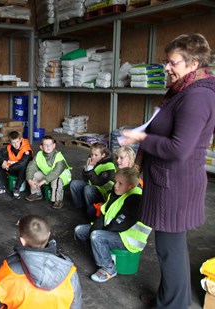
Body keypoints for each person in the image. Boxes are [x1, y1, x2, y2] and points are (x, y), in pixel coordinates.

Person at [119, 33, 215, 308]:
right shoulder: (184, 90)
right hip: (170, 181)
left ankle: (172, 305)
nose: (166, 68)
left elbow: (179, 149)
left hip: (176, 185)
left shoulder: (197, 97)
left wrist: (142, 139)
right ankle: (171, 299)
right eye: (165, 61)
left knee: (169, 250)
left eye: (172, 62)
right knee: (172, 250)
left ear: (193, 64)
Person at [74, 168, 152, 283]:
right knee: (79, 230)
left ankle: (109, 268)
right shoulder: (115, 194)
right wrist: (95, 230)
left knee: (97, 236)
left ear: (131, 187)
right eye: (115, 181)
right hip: (115, 232)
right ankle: (102, 252)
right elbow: (103, 215)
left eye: (120, 183)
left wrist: (98, 233)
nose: (116, 185)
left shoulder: (135, 199)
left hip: (129, 239)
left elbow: (121, 225)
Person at [0, 214, 81, 308]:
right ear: (49, 234)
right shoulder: (69, 271)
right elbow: (75, 304)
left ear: (22, 241)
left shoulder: (8, 271)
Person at [69, 142, 116, 221]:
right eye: (91, 154)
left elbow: (97, 182)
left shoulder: (109, 166)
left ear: (103, 155)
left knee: (88, 189)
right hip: (93, 186)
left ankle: (91, 211)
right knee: (74, 184)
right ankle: (79, 208)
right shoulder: (94, 162)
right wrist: (86, 169)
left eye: (96, 155)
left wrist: (90, 169)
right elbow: (84, 178)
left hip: (104, 193)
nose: (93, 157)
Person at [25, 135, 72, 209]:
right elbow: (31, 166)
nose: (48, 147)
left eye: (50, 144)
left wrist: (43, 181)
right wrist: (29, 180)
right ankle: (36, 193)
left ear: (54, 146)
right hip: (47, 173)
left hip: (62, 175)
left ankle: (58, 200)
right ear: (41, 147)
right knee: (34, 174)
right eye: (45, 145)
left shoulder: (58, 156)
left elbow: (56, 172)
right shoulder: (39, 154)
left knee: (56, 180)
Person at [0, 131, 33, 199]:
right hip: (11, 168)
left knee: (23, 166)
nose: (16, 144)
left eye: (17, 141)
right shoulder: (8, 148)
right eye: (13, 142)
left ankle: (17, 189)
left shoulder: (26, 149)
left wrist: (9, 167)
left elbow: (22, 163)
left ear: (20, 139)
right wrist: (3, 161)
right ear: (10, 142)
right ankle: (0, 186)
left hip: (22, 172)